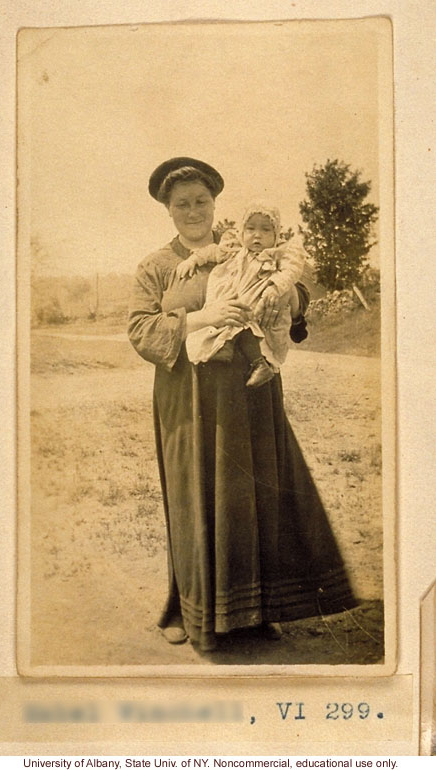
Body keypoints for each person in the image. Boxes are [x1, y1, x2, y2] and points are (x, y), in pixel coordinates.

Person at [128, 156, 356, 652]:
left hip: (251, 395)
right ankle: (187, 610)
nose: (194, 211)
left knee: (257, 496)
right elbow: (140, 331)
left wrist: (289, 296)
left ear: (215, 205)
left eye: (202, 202)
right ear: (168, 210)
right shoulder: (157, 266)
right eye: (182, 204)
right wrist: (201, 317)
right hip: (187, 400)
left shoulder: (245, 251)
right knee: (196, 499)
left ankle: (259, 611)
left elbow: (294, 305)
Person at [176, 202, 307, 387]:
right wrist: (194, 259)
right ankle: (225, 347)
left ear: (276, 235)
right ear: (242, 232)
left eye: (266, 230)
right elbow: (213, 251)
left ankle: (259, 363)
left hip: (260, 300)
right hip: (236, 300)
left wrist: (275, 287)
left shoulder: (278, 255)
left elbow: (291, 271)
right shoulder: (234, 251)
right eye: (250, 228)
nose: (257, 235)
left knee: (245, 321)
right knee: (228, 320)